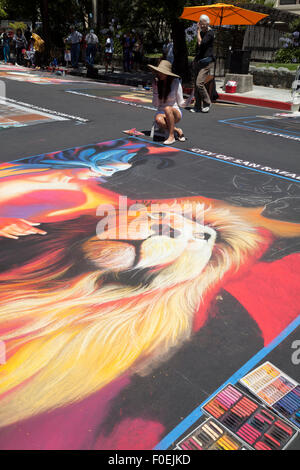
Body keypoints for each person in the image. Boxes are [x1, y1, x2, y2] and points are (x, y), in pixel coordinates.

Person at [148, 60, 186, 145]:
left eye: (162, 72)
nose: (159, 74)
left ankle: (171, 136)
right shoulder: (157, 84)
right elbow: (155, 104)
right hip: (161, 112)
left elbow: (181, 103)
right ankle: (177, 130)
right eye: (159, 72)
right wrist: (155, 90)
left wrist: (188, 102)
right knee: (158, 119)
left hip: (174, 111)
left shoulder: (175, 82)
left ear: (167, 74)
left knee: (167, 108)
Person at [190, 14, 214, 114]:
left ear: (207, 24)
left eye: (204, 24)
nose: (202, 26)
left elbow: (201, 43)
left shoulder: (210, 33)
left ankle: (207, 103)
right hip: (198, 61)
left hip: (206, 62)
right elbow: (198, 48)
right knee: (196, 85)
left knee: (199, 83)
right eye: (200, 24)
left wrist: (198, 32)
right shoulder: (202, 33)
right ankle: (197, 106)